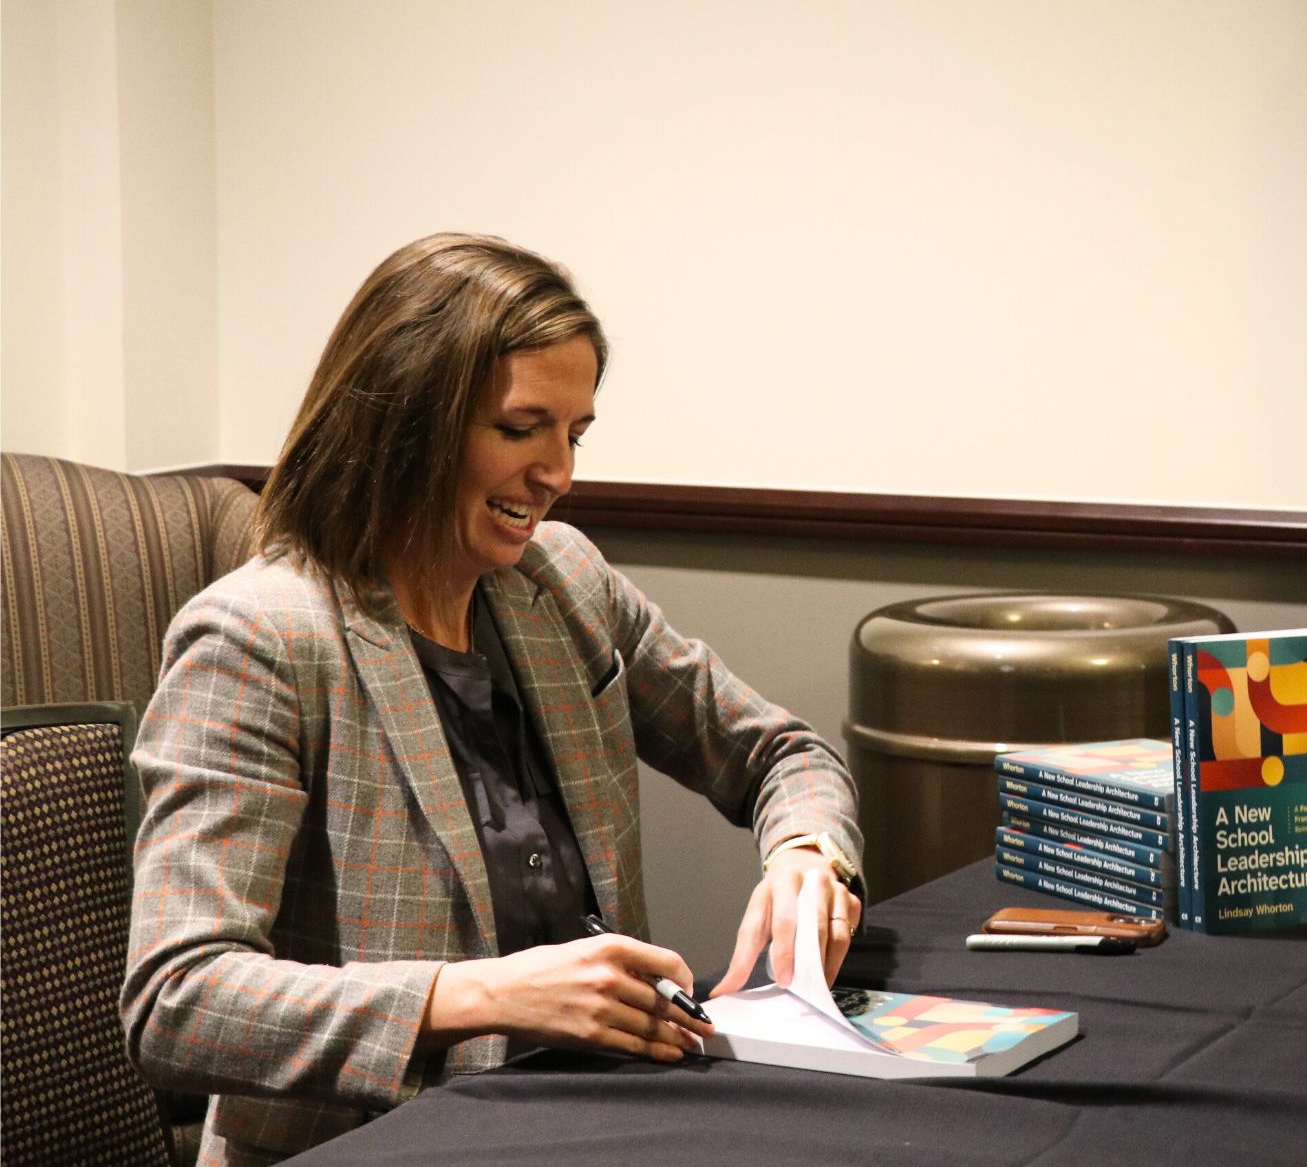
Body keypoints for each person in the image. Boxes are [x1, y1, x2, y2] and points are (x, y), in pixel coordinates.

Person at [123, 233, 864, 1165]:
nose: (558, 472)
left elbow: (781, 755)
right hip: (376, 1144)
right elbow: (179, 1001)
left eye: (574, 432)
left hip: (600, 1122)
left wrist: (809, 855)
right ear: (407, 424)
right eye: (521, 429)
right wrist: (483, 994)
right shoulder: (258, 638)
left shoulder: (564, 582)